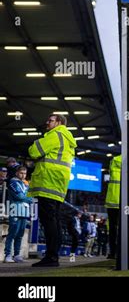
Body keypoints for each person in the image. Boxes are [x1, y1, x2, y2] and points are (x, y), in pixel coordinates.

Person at [27, 113, 77, 267]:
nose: (47, 122)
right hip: (57, 185)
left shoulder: (56, 135)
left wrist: (38, 141)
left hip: (48, 182)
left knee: (49, 222)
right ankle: (53, 255)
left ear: (59, 122)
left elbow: (33, 151)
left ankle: (51, 257)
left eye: (50, 120)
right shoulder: (67, 139)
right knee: (53, 222)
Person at [3, 166, 33, 263]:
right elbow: (19, 196)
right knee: (12, 233)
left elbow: (29, 195)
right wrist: (29, 199)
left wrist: (29, 198)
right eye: (21, 173)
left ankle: (16, 255)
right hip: (15, 210)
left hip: (24, 211)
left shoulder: (26, 184)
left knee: (20, 234)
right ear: (17, 173)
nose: (23, 175)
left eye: (25, 173)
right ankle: (7, 255)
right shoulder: (13, 182)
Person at [105, 154, 121, 259]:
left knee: (112, 229)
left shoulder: (114, 160)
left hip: (111, 201)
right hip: (123, 201)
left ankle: (112, 252)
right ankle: (121, 251)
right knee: (123, 229)